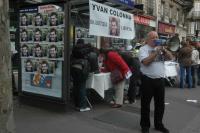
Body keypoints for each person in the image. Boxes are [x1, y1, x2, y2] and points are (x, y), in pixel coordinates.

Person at [138, 31, 173, 133]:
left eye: (157, 37)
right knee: (145, 105)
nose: (155, 39)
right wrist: (156, 52)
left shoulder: (161, 48)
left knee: (160, 104)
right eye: (153, 37)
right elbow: (146, 62)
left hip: (160, 79)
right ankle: (145, 126)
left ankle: (158, 124)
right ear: (148, 39)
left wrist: (165, 51)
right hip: (147, 79)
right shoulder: (143, 49)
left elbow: (171, 58)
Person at [71, 39, 99, 112]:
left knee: (76, 87)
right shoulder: (88, 50)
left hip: (73, 68)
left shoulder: (74, 49)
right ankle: (82, 106)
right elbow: (93, 62)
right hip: (82, 69)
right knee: (82, 87)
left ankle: (77, 104)